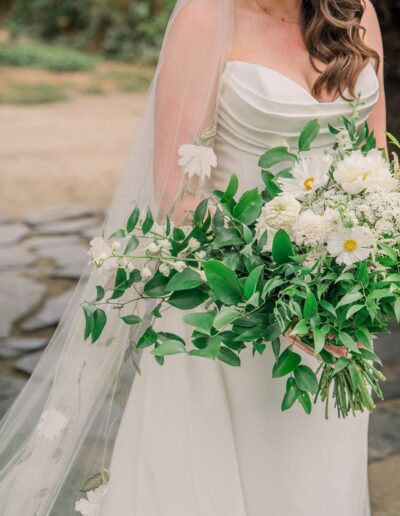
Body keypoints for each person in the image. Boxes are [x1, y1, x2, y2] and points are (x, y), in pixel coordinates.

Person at [0, 1, 386, 515]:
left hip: (336, 314)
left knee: (317, 483)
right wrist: (281, 297)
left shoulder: (354, 10)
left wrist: (359, 276)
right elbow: (178, 194)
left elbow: (378, 161)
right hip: (226, 305)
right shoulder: (207, 16)